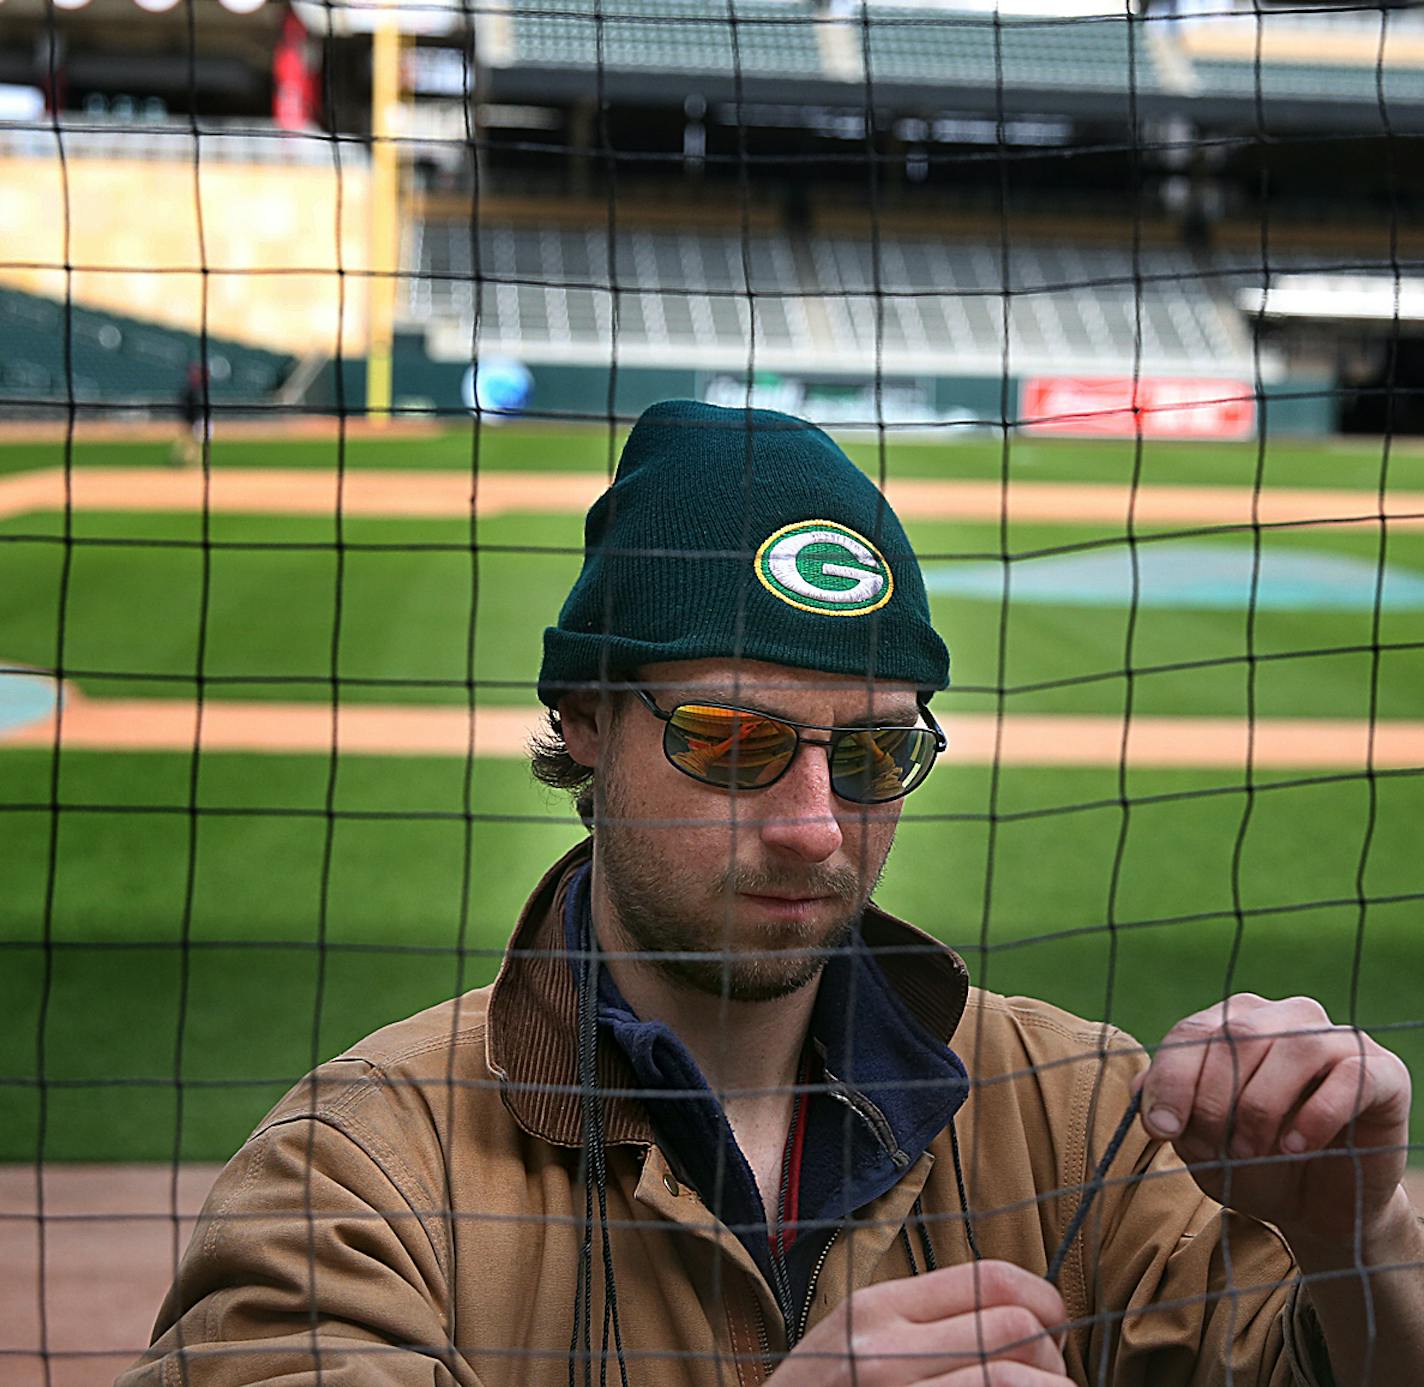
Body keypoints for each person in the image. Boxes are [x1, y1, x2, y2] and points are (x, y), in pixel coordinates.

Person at [120, 401, 1421, 1387]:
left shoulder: (1081, 1114)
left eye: (869, 754)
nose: (814, 828)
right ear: (582, 717)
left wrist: (1362, 1244)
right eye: (731, 742)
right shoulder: (355, 1175)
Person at [171, 363, 208, 468]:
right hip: (189, 419)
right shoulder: (189, 390)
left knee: (194, 441)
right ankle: (179, 459)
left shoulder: (195, 389)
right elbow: (184, 405)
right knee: (186, 440)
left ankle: (193, 461)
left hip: (194, 419)